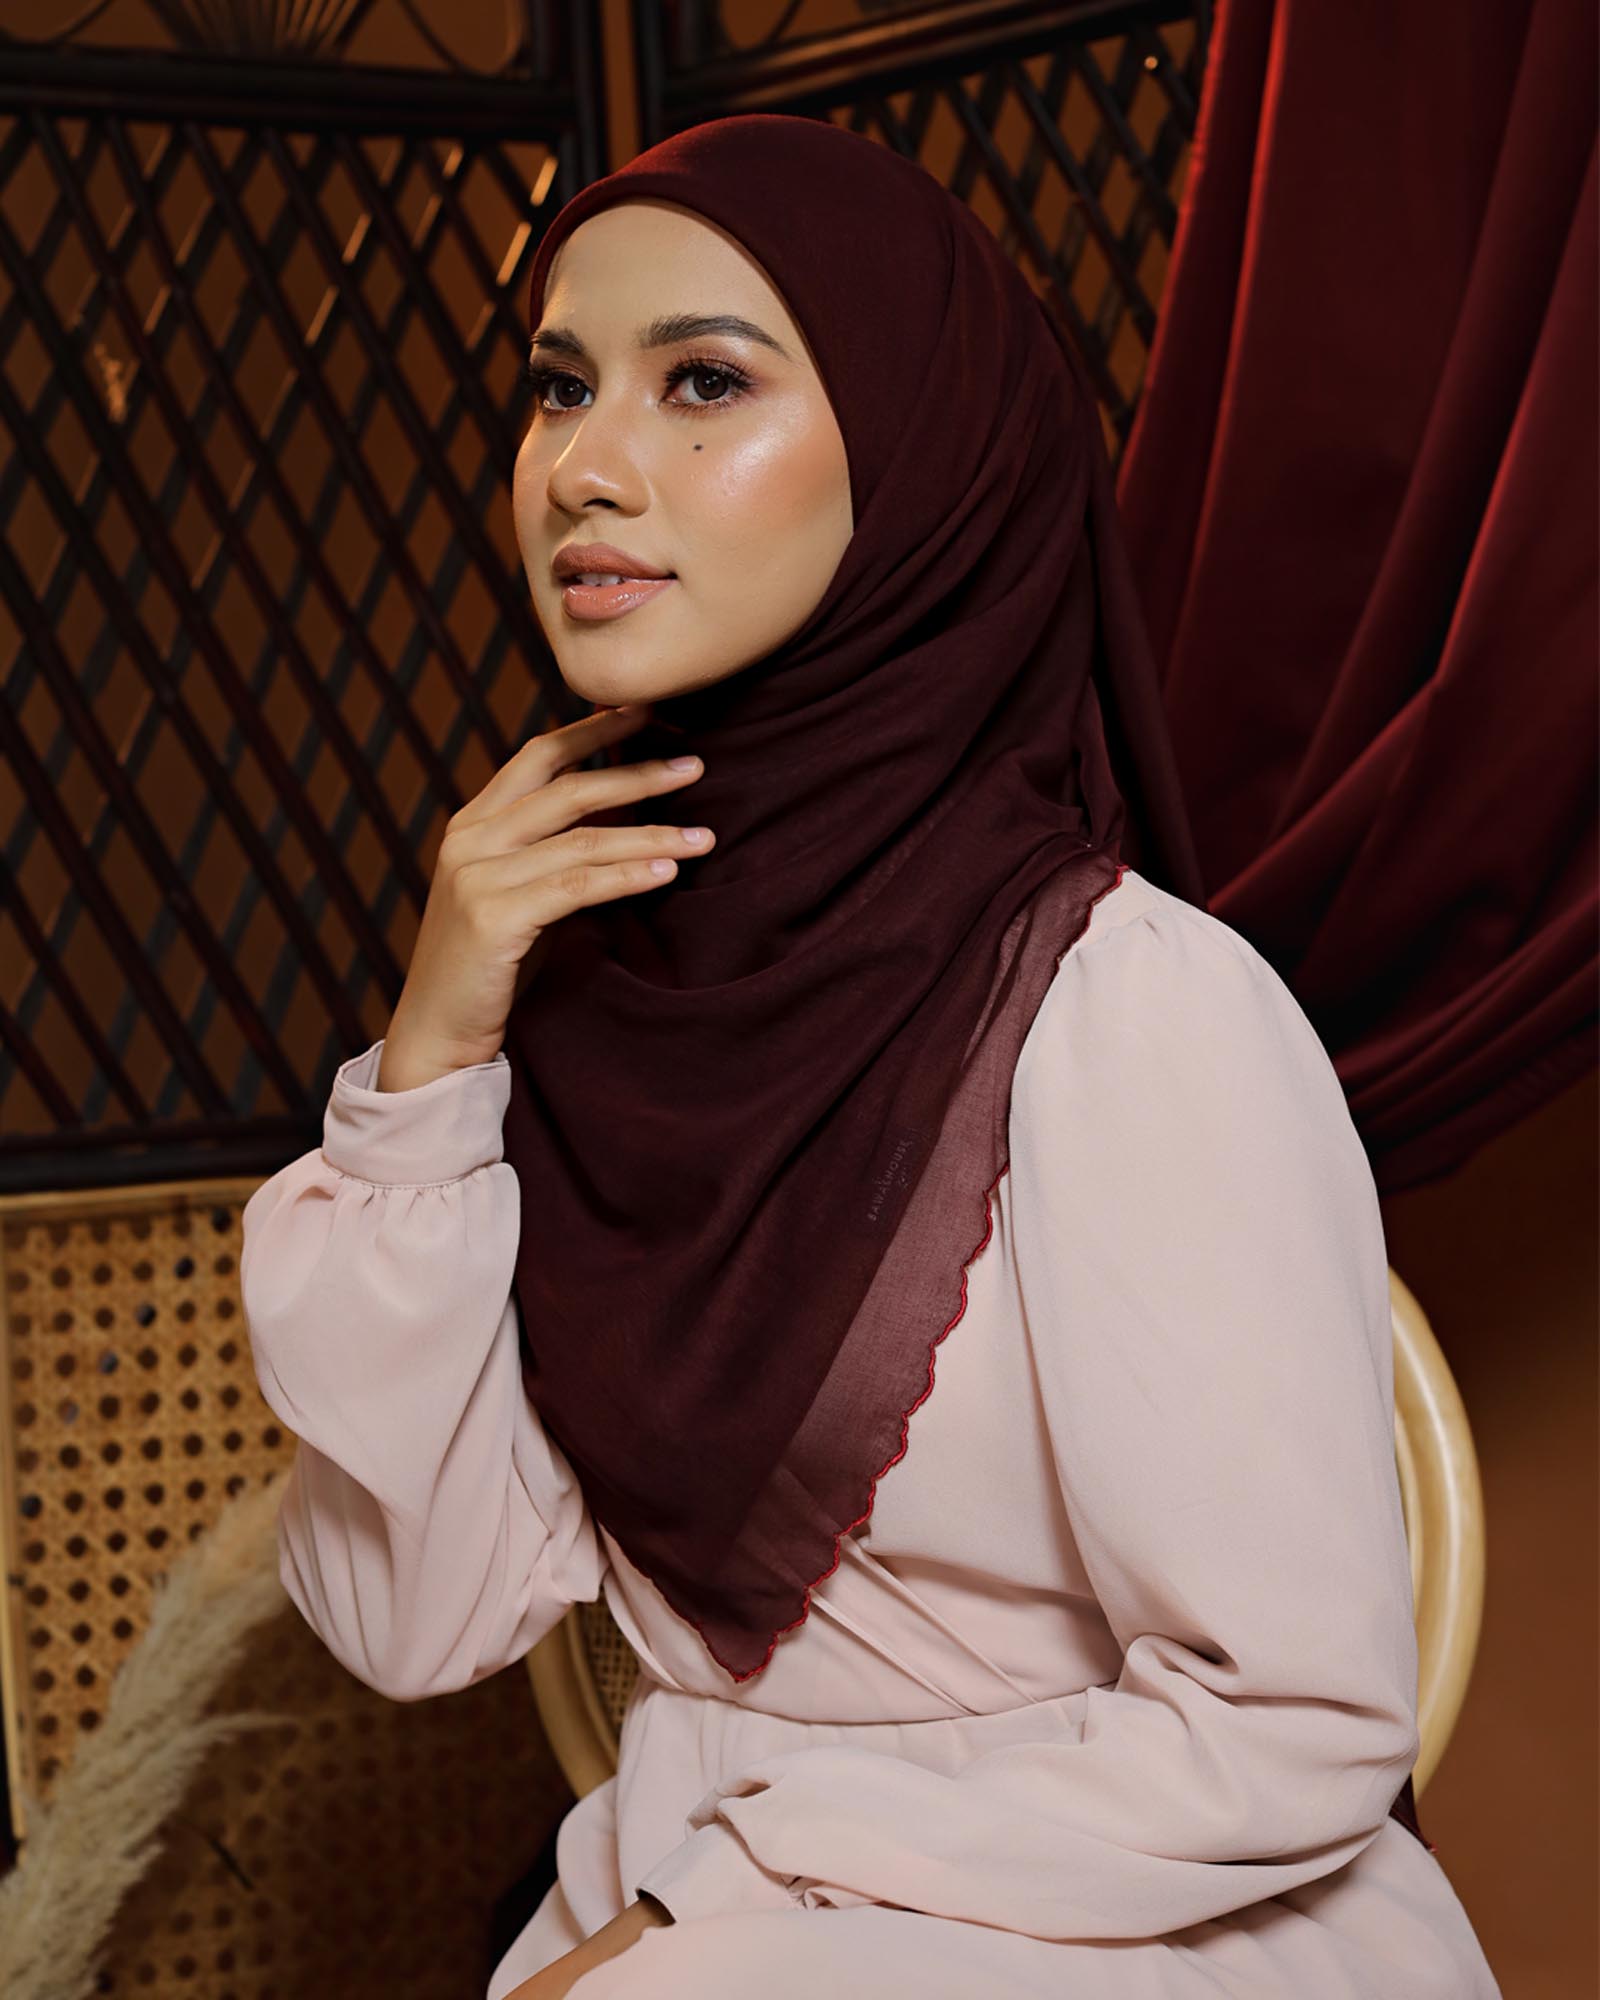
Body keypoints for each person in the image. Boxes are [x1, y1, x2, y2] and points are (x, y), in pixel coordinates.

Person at [240, 115, 1502, 1999]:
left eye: (704, 384)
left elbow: (1297, 1719)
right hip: (685, 1922)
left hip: (1125, 1925)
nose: (585, 468)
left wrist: (741, 1894)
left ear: (924, 463)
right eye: (562, 387)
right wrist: (427, 1064)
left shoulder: (1128, 1010)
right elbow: (414, 1628)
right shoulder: (583, 1015)